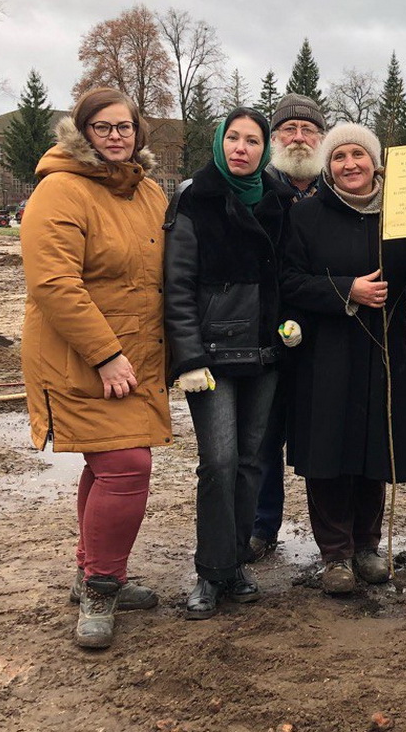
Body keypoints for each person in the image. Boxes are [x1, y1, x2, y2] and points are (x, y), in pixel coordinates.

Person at [280, 123, 406, 595]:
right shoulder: (307, 216)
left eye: (358, 155)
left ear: (375, 161)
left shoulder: (401, 214)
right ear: (328, 166)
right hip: (326, 353)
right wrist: (347, 289)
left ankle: (366, 546)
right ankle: (335, 554)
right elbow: (289, 282)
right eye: (339, 157)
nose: (349, 165)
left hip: (385, 351)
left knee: (373, 447)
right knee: (330, 452)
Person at [20, 87, 171, 649]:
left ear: (138, 133)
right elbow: (54, 283)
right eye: (102, 127)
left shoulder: (148, 192)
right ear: (81, 133)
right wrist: (106, 356)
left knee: (107, 465)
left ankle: (91, 570)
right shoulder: (60, 191)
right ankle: (102, 588)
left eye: (125, 127)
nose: (115, 136)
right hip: (81, 356)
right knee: (127, 465)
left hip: (138, 355)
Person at [164, 107, 295, 619]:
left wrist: (287, 322)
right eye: (234, 139)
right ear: (221, 143)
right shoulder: (196, 198)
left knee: (249, 463)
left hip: (264, 355)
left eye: (253, 141)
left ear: (266, 149)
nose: (242, 148)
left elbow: (287, 274)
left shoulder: (279, 201)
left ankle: (236, 562)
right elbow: (176, 286)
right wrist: (188, 356)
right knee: (217, 463)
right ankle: (209, 572)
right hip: (212, 360)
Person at [249, 93, 328, 561]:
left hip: (327, 334)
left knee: (322, 436)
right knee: (263, 438)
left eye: (308, 130)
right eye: (289, 130)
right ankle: (262, 527)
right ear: (274, 139)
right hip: (267, 336)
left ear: (321, 138)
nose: (298, 138)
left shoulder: (338, 190)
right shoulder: (256, 191)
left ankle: (333, 540)